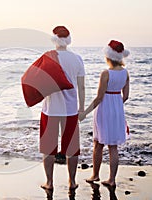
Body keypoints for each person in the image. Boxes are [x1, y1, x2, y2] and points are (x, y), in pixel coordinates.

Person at [40, 26, 85, 191]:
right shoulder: (77, 59)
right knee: (72, 148)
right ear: (69, 39)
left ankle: (49, 183)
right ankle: (72, 182)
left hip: (50, 109)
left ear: (54, 39)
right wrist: (81, 108)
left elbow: (39, 82)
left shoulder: (48, 57)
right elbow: (81, 87)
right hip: (71, 110)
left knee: (48, 148)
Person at [79, 40, 130, 187]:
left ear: (108, 56)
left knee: (98, 143)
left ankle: (95, 175)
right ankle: (112, 179)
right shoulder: (126, 73)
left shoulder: (106, 74)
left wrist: (85, 113)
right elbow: (125, 96)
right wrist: (116, 106)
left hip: (104, 109)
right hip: (117, 110)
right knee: (113, 146)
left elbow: (99, 97)